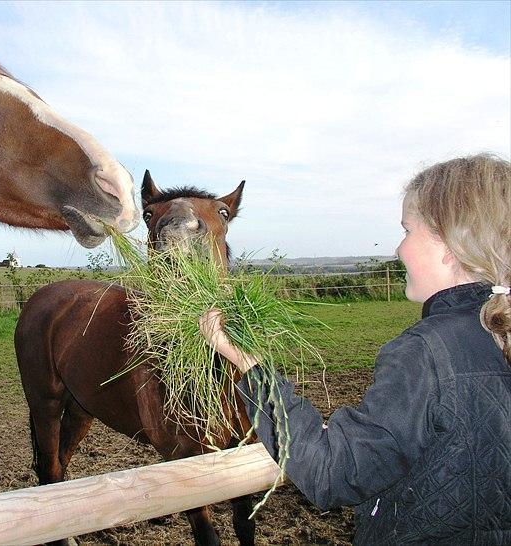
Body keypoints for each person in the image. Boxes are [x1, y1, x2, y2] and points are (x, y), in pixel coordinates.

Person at [200, 154, 511, 544]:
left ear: (449, 243)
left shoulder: (426, 353)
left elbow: (333, 473)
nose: (398, 250)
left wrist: (250, 366)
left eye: (407, 231)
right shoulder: (497, 331)